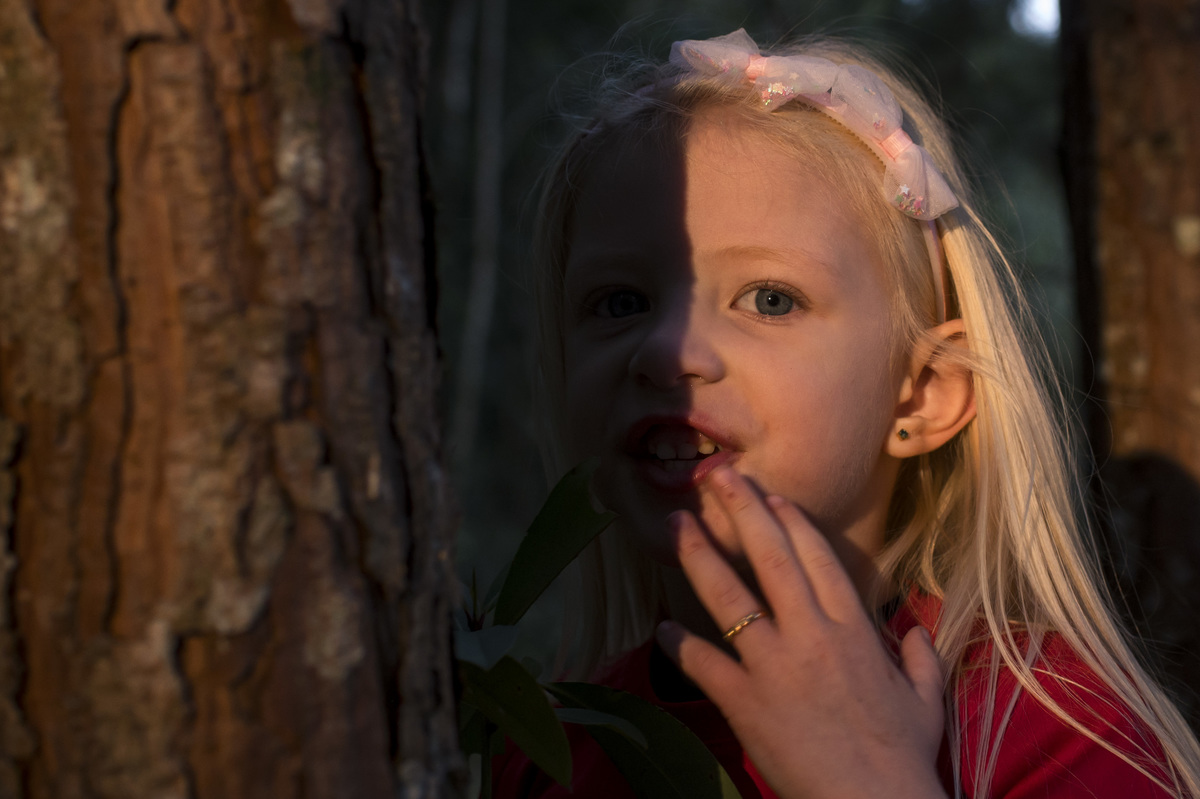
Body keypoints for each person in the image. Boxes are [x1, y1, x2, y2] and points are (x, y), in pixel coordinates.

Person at [493, 28, 1200, 799]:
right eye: (620, 302)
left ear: (925, 394)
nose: (667, 351)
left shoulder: (1048, 736)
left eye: (770, 299)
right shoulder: (546, 748)